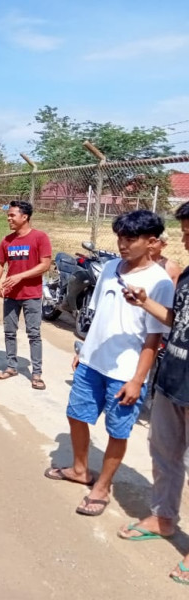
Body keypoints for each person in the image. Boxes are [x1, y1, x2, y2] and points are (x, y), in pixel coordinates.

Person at [45, 210, 174, 517]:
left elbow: (154, 339)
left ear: (152, 241)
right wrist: (84, 350)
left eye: (130, 239)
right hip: (92, 362)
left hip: (125, 372)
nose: (122, 245)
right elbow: (98, 312)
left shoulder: (159, 283)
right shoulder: (111, 268)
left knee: (118, 431)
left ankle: (101, 486)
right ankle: (80, 469)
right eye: (119, 238)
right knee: (76, 415)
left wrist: (137, 379)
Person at [115, 202, 189, 584]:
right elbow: (178, 322)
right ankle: (163, 517)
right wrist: (145, 303)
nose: (185, 239)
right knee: (164, 455)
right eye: (186, 231)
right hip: (174, 380)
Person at [0, 200, 53, 389]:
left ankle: (36, 374)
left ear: (24, 217)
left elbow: (45, 265)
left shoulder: (40, 238)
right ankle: (11, 366)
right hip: (11, 295)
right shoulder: (7, 240)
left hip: (31, 295)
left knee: (34, 334)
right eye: (8, 215)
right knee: (9, 332)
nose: (8, 218)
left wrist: (19, 276)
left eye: (12, 215)